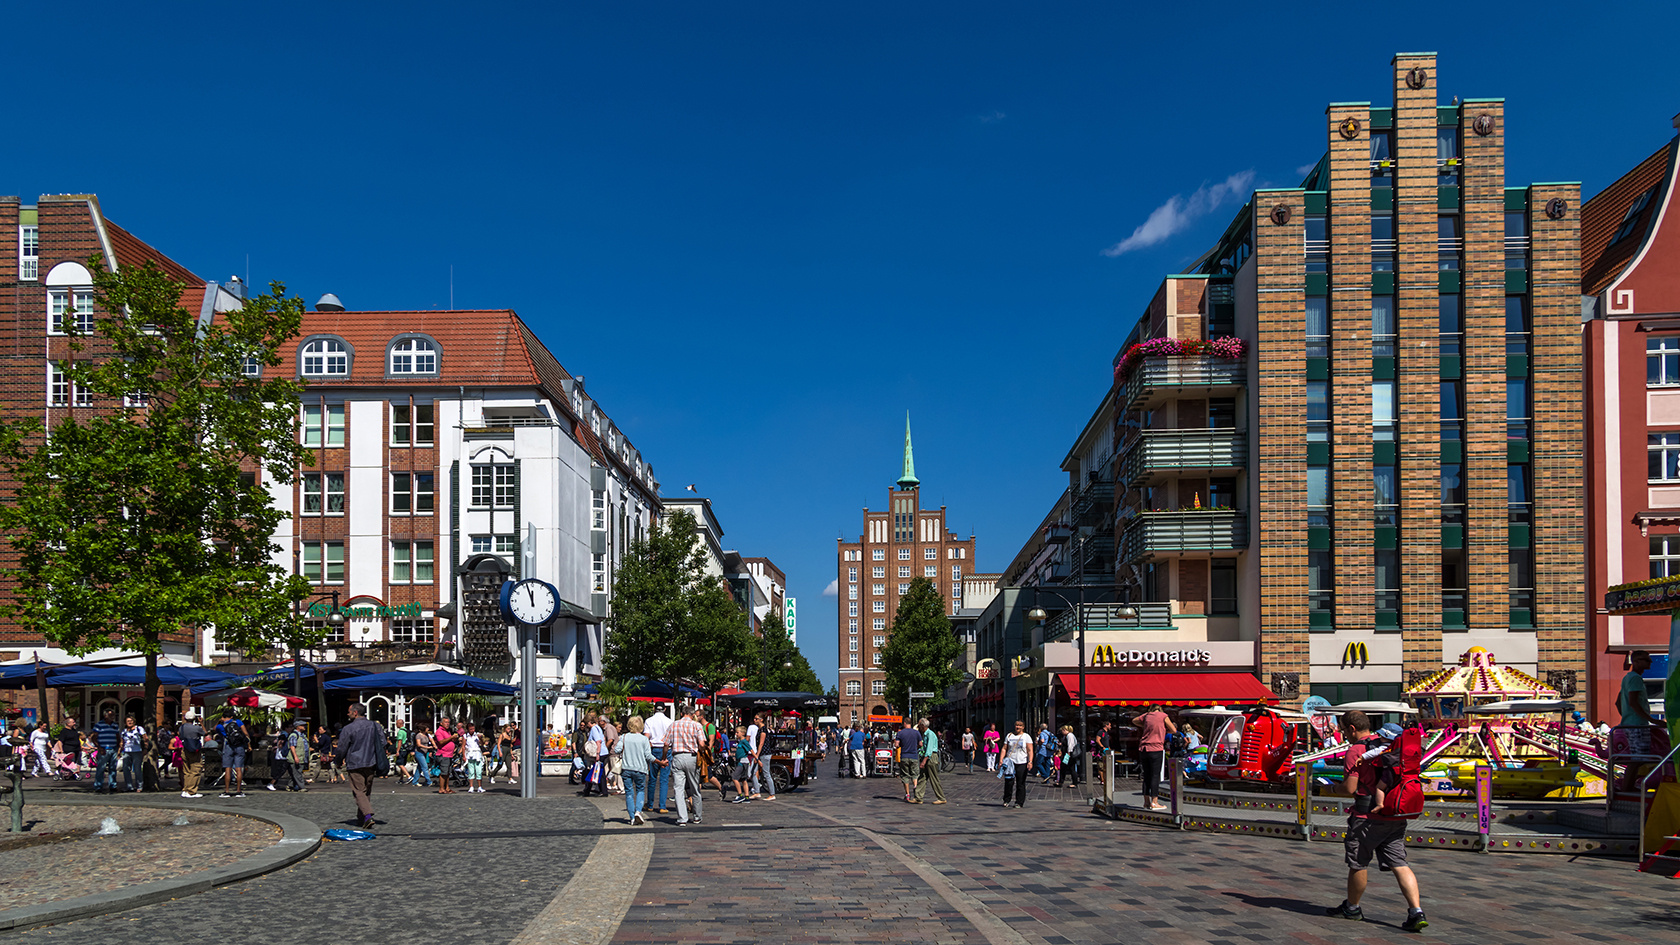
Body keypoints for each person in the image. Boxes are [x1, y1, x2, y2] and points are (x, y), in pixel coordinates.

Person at [1325, 711, 1427, 932]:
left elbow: (1350, 788)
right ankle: (1416, 911)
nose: (1343, 734)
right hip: (1394, 814)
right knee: (1400, 863)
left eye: (1343, 729)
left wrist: (1331, 788)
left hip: (1365, 817)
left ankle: (1352, 908)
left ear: (1352, 728)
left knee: (1358, 863)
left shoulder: (1357, 750)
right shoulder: (1391, 746)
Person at [334, 703, 385, 830]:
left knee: (358, 791)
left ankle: (367, 816)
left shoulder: (348, 728)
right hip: (371, 762)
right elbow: (383, 742)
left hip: (355, 762)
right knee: (365, 791)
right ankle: (361, 818)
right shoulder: (375, 726)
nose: (348, 714)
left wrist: (338, 761)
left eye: (349, 711)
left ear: (355, 712)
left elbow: (341, 748)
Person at [613, 715, 657, 825]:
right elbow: (648, 756)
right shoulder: (644, 739)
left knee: (629, 793)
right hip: (640, 769)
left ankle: (632, 817)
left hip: (626, 768)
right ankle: (638, 811)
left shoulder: (624, 737)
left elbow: (617, 749)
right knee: (640, 790)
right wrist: (658, 761)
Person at [668, 705, 707, 825]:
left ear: (681, 713)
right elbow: (701, 743)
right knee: (694, 787)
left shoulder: (673, 725)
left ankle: (682, 818)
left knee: (678, 789)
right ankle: (697, 816)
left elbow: (665, 743)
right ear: (692, 714)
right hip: (692, 757)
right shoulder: (697, 725)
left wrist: (664, 757)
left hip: (678, 756)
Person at [1619, 650, 1656, 755]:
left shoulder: (1627, 678)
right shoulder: (1636, 678)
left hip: (1630, 724)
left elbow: (1618, 702)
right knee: (1640, 758)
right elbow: (1633, 702)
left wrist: (1627, 716)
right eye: (1647, 660)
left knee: (1636, 758)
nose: (1650, 662)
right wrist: (1652, 720)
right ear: (1636, 661)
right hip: (1638, 726)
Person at [1136, 704, 1170, 811]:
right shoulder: (1163, 716)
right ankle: (1154, 802)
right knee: (1155, 775)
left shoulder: (1146, 716)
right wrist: (1162, 729)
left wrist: (1145, 726)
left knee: (1146, 776)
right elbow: (1173, 729)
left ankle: (1146, 802)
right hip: (1156, 748)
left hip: (1144, 748)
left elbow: (1134, 720)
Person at [645, 705, 673, 814]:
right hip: (666, 749)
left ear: (654, 709)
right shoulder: (669, 721)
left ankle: (650, 804)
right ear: (665, 709)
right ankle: (662, 806)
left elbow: (646, 737)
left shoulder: (649, 721)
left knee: (652, 778)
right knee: (664, 779)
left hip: (654, 749)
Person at [1002, 720, 1032, 808]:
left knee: (1020, 783)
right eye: (1016, 725)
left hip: (1022, 762)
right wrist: (1001, 760)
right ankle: (1006, 800)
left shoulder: (1026, 736)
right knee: (1008, 782)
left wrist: (1030, 761)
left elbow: (1030, 750)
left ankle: (1019, 802)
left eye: (1020, 725)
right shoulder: (1009, 735)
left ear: (1023, 727)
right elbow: (1004, 748)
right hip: (1010, 762)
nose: (1017, 727)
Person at [91, 708, 121, 794]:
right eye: (110, 715)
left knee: (113, 768)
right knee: (101, 768)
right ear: (105, 715)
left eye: (113, 715)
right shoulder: (99, 725)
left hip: (113, 748)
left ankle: (113, 785)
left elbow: (117, 736)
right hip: (104, 749)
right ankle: (98, 786)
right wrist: (99, 747)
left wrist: (118, 747)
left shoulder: (115, 725)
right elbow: (94, 737)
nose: (113, 717)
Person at [916, 719, 946, 804]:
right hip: (927, 756)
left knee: (934, 778)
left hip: (931, 757)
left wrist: (924, 761)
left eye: (919, 725)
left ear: (923, 726)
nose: (918, 727)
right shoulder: (925, 735)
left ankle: (941, 798)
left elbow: (929, 749)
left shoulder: (930, 734)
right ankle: (918, 797)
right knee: (922, 777)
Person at [177, 711, 206, 797]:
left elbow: (180, 736)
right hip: (194, 751)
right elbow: (205, 733)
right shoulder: (196, 728)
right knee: (195, 770)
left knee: (186, 771)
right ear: (194, 719)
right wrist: (201, 723)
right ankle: (191, 791)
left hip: (185, 749)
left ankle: (185, 789)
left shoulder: (181, 728)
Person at [895, 719, 922, 802]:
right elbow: (921, 744)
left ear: (904, 723)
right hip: (914, 756)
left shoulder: (900, 733)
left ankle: (907, 794)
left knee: (905, 776)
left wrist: (901, 745)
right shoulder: (916, 733)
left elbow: (896, 745)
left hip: (904, 756)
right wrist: (915, 747)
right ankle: (916, 792)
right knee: (915, 775)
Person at [119, 715, 147, 792]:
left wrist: (145, 749)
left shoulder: (139, 729)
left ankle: (139, 786)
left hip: (137, 751)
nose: (130, 722)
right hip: (127, 752)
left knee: (137, 769)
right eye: (128, 721)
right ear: (125, 722)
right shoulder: (124, 731)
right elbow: (122, 742)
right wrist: (119, 752)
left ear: (134, 721)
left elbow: (146, 739)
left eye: (131, 721)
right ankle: (129, 786)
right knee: (126, 769)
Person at [433, 718, 459, 794]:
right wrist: (451, 737)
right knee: (444, 772)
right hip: (443, 754)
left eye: (448, 722)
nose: (447, 724)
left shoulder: (448, 731)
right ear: (441, 723)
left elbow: (448, 740)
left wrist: (453, 739)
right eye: (446, 722)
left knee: (447, 772)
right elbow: (441, 741)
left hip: (449, 754)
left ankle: (447, 788)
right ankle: (441, 788)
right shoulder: (439, 731)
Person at [729, 724, 753, 802]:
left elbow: (750, 749)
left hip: (743, 762)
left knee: (734, 777)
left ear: (742, 733)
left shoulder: (744, 741)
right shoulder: (740, 741)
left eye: (737, 732)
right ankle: (747, 797)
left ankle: (740, 795)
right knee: (743, 780)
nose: (736, 734)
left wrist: (757, 758)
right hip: (741, 761)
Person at [57, 717, 85, 782]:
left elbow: (77, 739)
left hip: (77, 749)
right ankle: (68, 774)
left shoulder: (74, 731)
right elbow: (60, 741)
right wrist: (61, 750)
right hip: (69, 749)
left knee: (77, 762)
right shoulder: (64, 731)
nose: (74, 723)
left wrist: (80, 746)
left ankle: (76, 774)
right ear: (68, 723)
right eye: (73, 722)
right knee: (70, 763)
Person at [462, 722, 486, 793]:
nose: (472, 730)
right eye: (471, 729)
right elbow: (463, 746)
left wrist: (480, 738)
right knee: (471, 771)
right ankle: (471, 786)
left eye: (473, 729)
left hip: (477, 754)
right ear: (468, 730)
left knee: (479, 771)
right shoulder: (465, 736)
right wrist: (464, 756)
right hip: (470, 754)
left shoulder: (477, 735)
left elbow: (482, 743)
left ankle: (479, 787)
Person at [410, 724, 435, 788]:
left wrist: (435, 746)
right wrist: (428, 747)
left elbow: (431, 740)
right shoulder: (418, 735)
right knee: (425, 767)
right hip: (419, 752)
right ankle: (428, 781)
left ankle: (415, 781)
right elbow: (418, 744)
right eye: (426, 728)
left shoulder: (426, 735)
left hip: (424, 752)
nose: (428, 729)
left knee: (419, 767)